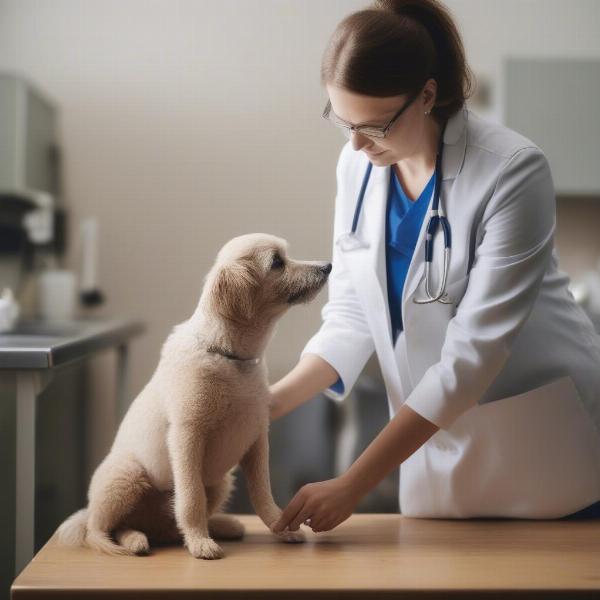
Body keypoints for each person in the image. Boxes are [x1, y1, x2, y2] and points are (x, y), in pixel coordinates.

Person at [270, 0, 600, 535]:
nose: (355, 143)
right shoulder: (358, 162)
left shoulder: (511, 170)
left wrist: (352, 481)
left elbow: (473, 356)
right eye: (343, 121)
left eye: (373, 125)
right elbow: (352, 315)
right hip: (434, 459)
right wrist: (264, 406)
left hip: (541, 450)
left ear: (427, 94)